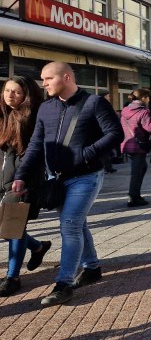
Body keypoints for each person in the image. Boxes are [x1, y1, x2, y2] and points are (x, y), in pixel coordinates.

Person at [13, 62, 123, 307]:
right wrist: (21, 174)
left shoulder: (94, 103)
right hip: (57, 178)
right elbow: (35, 144)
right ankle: (92, 267)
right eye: (42, 79)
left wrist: (84, 154)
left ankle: (64, 284)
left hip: (86, 176)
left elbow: (115, 134)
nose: (44, 83)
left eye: (48, 78)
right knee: (77, 223)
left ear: (66, 77)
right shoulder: (46, 108)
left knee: (70, 225)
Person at [0, 76, 50, 297]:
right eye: (7, 90)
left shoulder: (31, 118)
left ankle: (13, 277)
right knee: (8, 227)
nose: (10, 95)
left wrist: (25, 180)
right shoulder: (2, 115)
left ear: (26, 95)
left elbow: (33, 154)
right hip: (2, 179)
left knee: (14, 228)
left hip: (21, 182)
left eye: (16, 92)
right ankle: (38, 247)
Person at [120, 88, 151, 207]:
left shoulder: (125, 110)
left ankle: (135, 194)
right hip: (139, 145)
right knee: (137, 172)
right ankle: (133, 197)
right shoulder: (143, 112)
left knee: (142, 168)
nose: (149, 99)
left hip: (127, 144)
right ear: (143, 98)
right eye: (148, 97)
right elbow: (150, 128)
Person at [98, 90, 118, 173]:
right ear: (105, 96)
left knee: (107, 151)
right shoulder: (102, 104)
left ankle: (108, 167)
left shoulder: (101, 104)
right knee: (105, 151)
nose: (109, 98)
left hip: (105, 130)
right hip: (103, 131)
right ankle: (106, 167)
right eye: (108, 96)